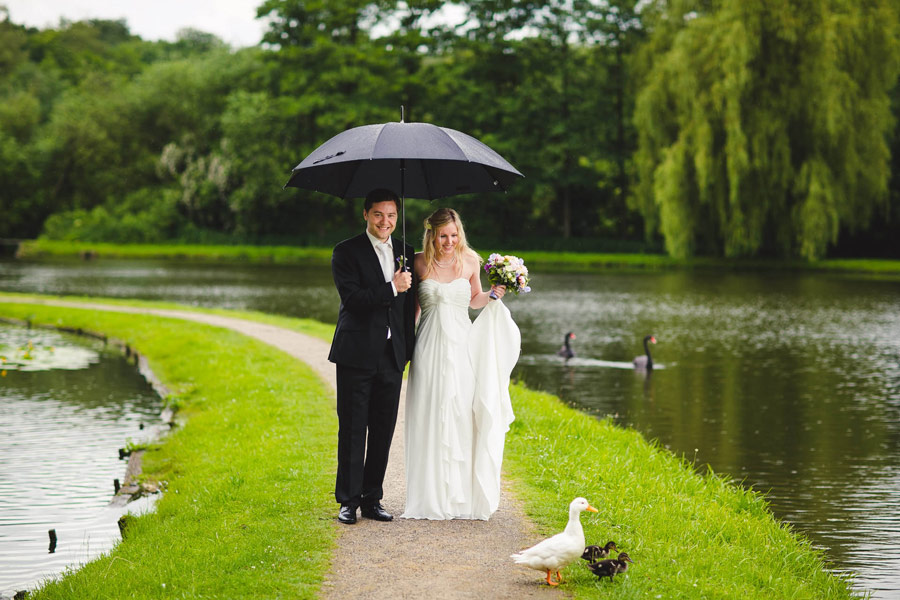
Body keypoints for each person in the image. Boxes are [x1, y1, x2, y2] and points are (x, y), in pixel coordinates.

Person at [402, 207, 520, 520]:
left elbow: (474, 299)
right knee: (430, 410)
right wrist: (403, 349)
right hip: (428, 346)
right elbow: (412, 310)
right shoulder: (417, 261)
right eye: (443, 235)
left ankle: (459, 495)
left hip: (461, 346)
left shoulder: (470, 260)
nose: (449, 241)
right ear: (432, 234)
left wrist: (494, 295)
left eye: (454, 235)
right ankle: (430, 494)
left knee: (459, 411)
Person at [329, 188, 416, 524]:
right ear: (365, 214)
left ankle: (372, 498)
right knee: (352, 428)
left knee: (383, 428)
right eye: (378, 214)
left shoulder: (406, 252)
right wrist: (392, 287)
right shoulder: (345, 252)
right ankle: (348, 501)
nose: (385, 221)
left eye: (391, 215)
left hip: (391, 356)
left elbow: (409, 310)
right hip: (355, 354)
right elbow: (353, 299)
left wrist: (406, 350)